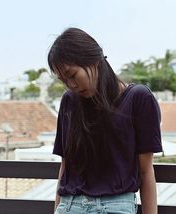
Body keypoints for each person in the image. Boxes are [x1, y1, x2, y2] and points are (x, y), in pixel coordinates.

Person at [48, 27, 163, 214]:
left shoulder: (138, 98)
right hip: (69, 206)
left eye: (72, 75)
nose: (71, 85)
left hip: (115, 206)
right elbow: (66, 166)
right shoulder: (69, 101)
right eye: (64, 80)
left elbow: (146, 171)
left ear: (93, 60)